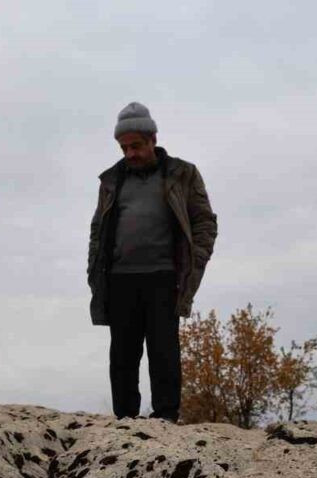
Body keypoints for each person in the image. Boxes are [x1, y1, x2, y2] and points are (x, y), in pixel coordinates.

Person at [86, 101, 218, 422]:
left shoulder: (182, 174)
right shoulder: (111, 180)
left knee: (164, 351)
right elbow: (97, 229)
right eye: (124, 148)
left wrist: (196, 260)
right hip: (119, 278)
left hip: (165, 277)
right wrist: (94, 270)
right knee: (122, 355)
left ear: (153, 139)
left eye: (136, 146)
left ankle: (166, 418)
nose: (130, 153)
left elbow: (204, 222)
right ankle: (125, 421)